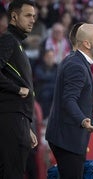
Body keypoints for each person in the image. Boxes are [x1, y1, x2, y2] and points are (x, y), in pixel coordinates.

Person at [45, 23, 93, 179]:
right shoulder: (76, 65)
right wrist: (84, 122)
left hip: (67, 137)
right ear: (87, 43)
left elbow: (76, 101)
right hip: (67, 139)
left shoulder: (75, 60)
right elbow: (69, 100)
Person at [0, 0, 38, 178]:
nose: (33, 20)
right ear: (14, 16)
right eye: (28, 15)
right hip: (11, 118)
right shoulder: (8, 39)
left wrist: (27, 126)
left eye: (34, 16)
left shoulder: (17, 42)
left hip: (18, 119)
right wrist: (17, 89)